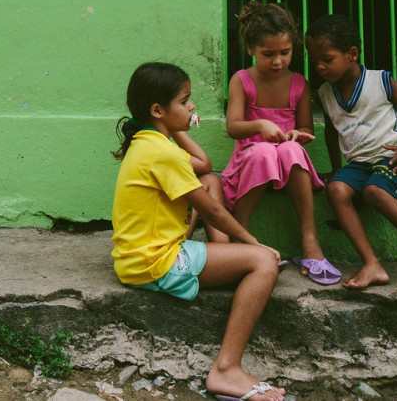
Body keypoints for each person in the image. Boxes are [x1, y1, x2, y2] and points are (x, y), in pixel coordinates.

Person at [111, 62, 288, 401]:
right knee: (263, 264)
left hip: (139, 253)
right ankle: (226, 369)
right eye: (185, 101)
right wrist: (255, 245)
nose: (192, 107)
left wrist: (173, 126)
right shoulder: (163, 154)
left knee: (209, 181)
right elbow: (214, 212)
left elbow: (203, 168)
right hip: (155, 261)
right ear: (158, 110)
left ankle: (227, 255)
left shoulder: (148, 141)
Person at [305, 14, 397, 292]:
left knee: (375, 192)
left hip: (391, 159)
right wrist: (337, 168)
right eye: (314, 62)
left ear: (351, 54)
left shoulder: (381, 80)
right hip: (358, 165)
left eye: (327, 59)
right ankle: (372, 263)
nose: (320, 67)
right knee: (336, 189)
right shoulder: (325, 92)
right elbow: (331, 131)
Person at [223, 2, 340, 285]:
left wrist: (297, 135)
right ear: (251, 49)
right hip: (251, 158)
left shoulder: (299, 84)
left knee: (291, 149)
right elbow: (233, 127)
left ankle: (310, 242)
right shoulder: (241, 80)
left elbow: (305, 127)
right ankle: (240, 234)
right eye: (268, 54)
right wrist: (260, 126)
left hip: (288, 162)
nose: (278, 61)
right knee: (264, 151)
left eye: (285, 53)